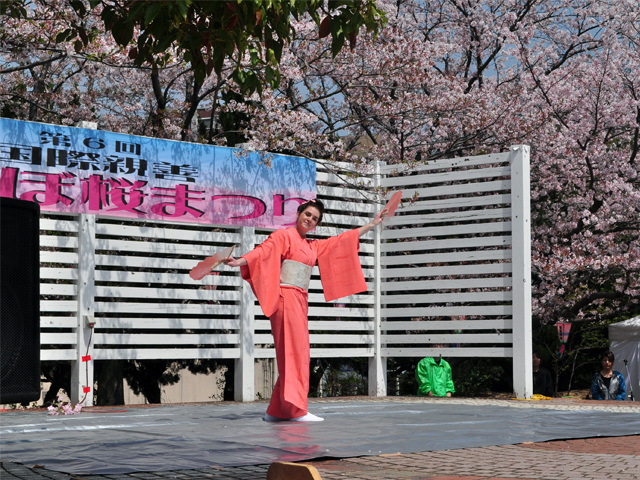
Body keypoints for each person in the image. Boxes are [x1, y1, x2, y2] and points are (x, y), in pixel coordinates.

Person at [224, 199, 386, 421]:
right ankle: (296, 409)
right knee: (295, 354)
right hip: (285, 298)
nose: (309, 219)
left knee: (295, 354)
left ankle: (278, 411)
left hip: (299, 300)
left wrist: (372, 224)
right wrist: (240, 261)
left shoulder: (312, 246)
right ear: (299, 212)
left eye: (315, 218)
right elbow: (263, 251)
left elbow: (341, 241)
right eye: (307, 214)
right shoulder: (283, 236)